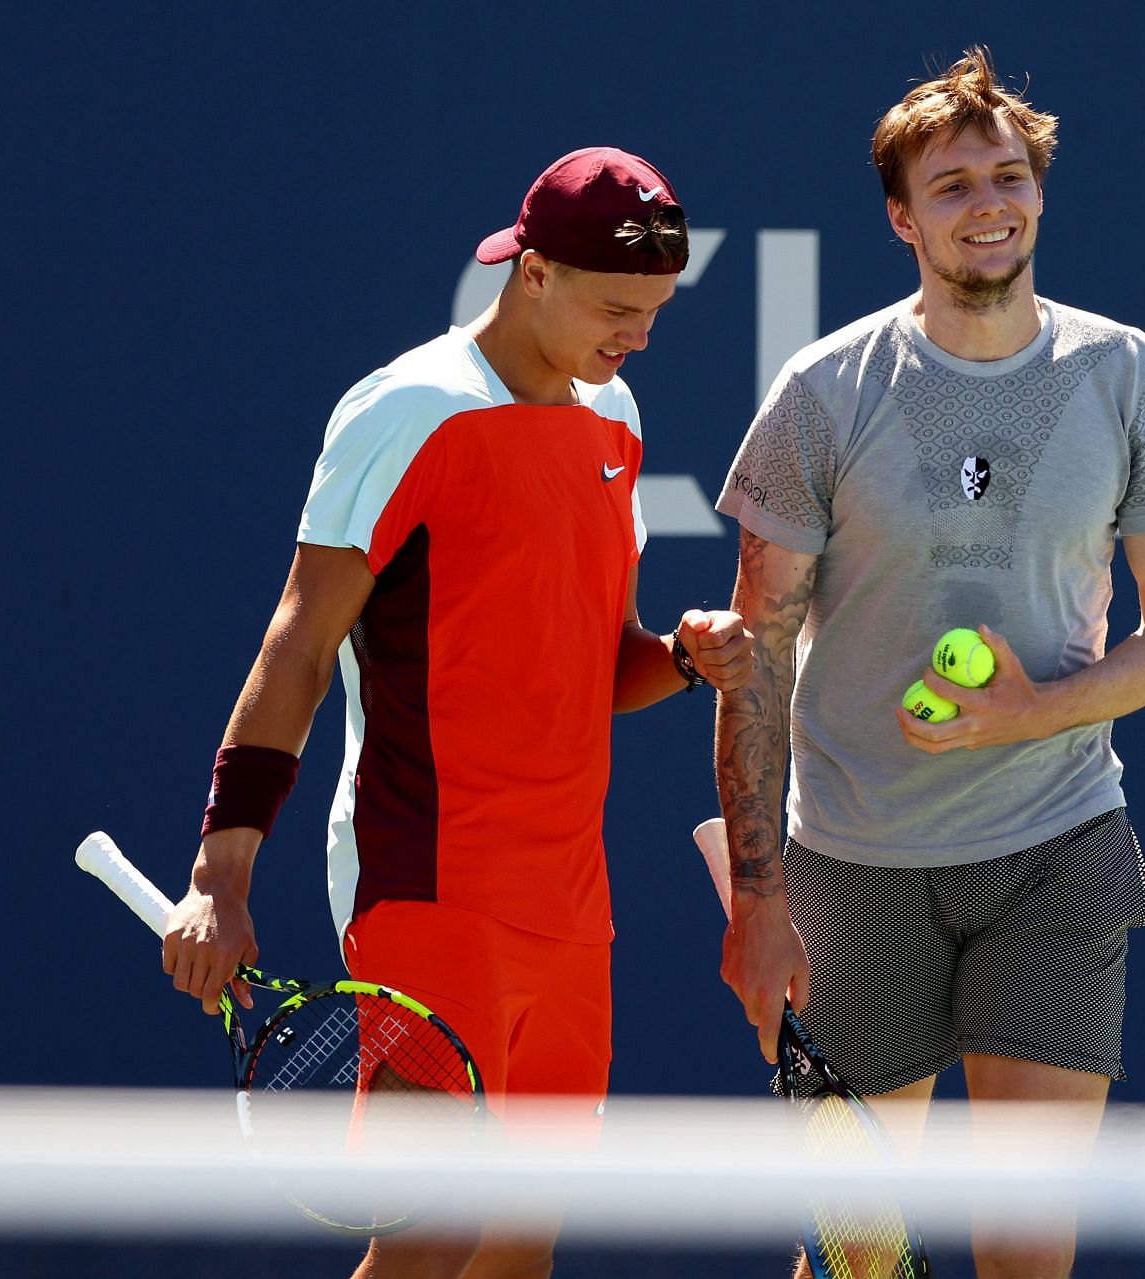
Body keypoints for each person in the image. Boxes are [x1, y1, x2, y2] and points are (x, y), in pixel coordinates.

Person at [161, 146, 752, 1279]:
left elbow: (597, 666)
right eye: (618, 308)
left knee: (517, 1247)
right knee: (432, 1236)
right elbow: (297, 644)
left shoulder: (615, 418)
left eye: (657, 310)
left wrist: (681, 656)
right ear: (531, 273)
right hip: (428, 873)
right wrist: (218, 876)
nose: (638, 336)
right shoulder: (410, 408)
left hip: (570, 897)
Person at [712, 47, 1145, 1279]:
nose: (988, 201)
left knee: (1028, 1250)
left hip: (1059, 849)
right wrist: (762, 899)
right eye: (951, 185)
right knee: (854, 1259)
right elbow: (759, 660)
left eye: (1008, 175)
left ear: (1039, 192)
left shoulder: (1131, 374)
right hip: (855, 863)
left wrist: (1031, 713)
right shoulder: (822, 394)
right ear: (901, 216)